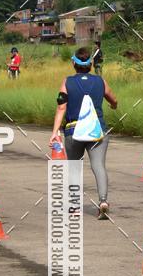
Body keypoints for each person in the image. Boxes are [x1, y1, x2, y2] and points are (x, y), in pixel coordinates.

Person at [50, 46, 118, 219]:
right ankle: (103, 201)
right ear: (91, 64)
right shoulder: (100, 81)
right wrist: (113, 105)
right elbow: (113, 99)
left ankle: (74, 207)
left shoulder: (67, 82)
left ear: (74, 63)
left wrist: (55, 132)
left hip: (74, 131)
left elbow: (61, 106)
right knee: (98, 166)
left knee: (74, 167)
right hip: (98, 131)